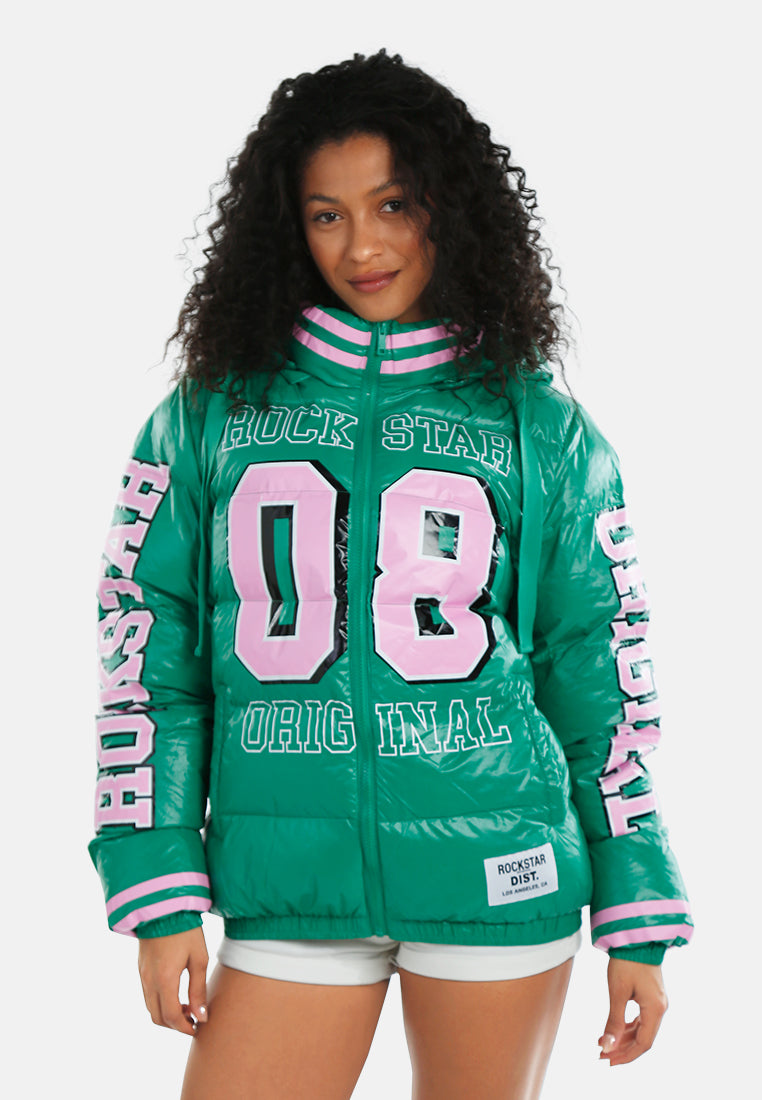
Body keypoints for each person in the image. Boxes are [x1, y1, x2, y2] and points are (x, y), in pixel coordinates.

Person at [90, 50, 692, 1099]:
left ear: (447, 206)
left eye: (393, 204)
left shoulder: (540, 426)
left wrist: (636, 903)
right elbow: (146, 654)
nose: (362, 246)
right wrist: (157, 879)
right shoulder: (208, 413)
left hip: (501, 874)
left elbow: (600, 670)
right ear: (288, 228)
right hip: (289, 885)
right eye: (326, 215)